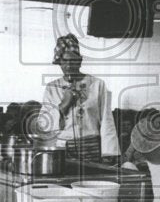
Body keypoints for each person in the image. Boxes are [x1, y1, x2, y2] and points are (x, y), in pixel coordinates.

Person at [40, 34, 120, 163]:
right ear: (59, 62)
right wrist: (64, 104)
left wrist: (109, 152)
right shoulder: (52, 88)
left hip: (91, 148)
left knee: (90, 181)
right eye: (64, 61)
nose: (68, 66)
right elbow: (44, 124)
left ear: (80, 61)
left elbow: (107, 119)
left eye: (73, 61)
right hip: (63, 149)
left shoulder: (97, 84)